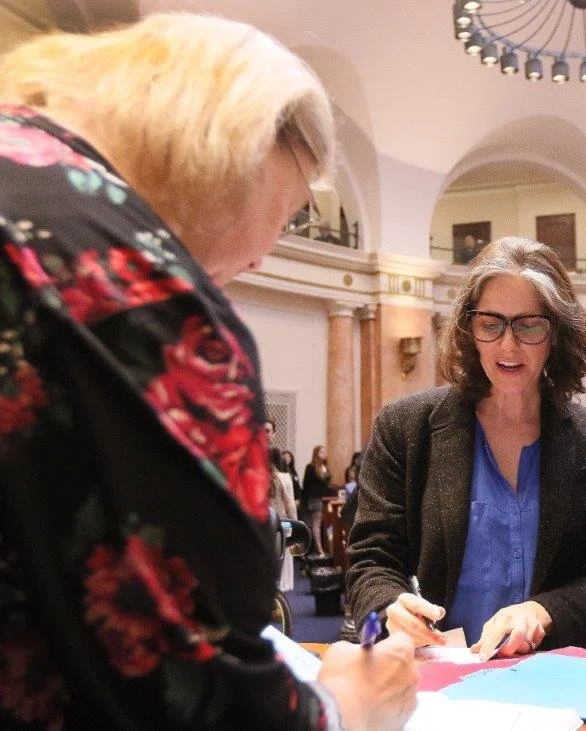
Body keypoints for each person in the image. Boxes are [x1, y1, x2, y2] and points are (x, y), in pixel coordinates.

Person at [0, 14, 416, 729]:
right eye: (287, 213)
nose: (263, 257)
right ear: (238, 148)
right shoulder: (140, 289)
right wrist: (344, 708)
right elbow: (186, 690)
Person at [346, 236, 586, 660]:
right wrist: (389, 605)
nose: (507, 346)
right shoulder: (405, 426)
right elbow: (371, 559)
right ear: (469, 330)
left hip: (545, 672)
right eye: (490, 323)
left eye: (529, 324)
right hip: (434, 667)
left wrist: (543, 610)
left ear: (556, 333)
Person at [271, 448, 299, 592]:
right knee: (285, 554)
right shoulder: (285, 477)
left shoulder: (262, 477)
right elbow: (290, 503)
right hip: (284, 520)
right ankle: (284, 584)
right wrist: (296, 522)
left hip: (267, 520)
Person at [303, 444, 335, 555]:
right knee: (316, 523)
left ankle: (327, 547)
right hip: (315, 498)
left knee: (326, 523)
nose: (324, 454)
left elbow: (328, 485)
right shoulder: (311, 467)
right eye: (321, 452)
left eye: (325, 452)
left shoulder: (326, 467)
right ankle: (319, 548)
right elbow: (306, 485)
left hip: (326, 499)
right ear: (316, 454)